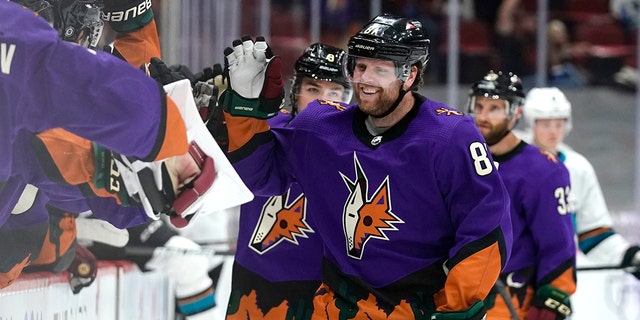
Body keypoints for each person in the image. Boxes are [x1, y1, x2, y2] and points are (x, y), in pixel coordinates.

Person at [221, 14, 513, 319]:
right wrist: (243, 107)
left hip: (417, 309)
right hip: (336, 307)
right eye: (361, 66)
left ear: (410, 75)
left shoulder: (452, 136)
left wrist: (458, 308)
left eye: (380, 70)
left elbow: (486, 225)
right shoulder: (318, 127)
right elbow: (259, 177)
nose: (366, 79)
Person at [0, 0, 214, 295]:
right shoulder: (20, 44)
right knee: (28, 242)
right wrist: (167, 137)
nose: (88, 47)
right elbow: (82, 88)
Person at [225, 43, 353, 319]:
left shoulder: (359, 151)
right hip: (254, 282)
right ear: (296, 92)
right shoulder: (264, 129)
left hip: (322, 289)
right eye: (313, 89)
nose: (324, 101)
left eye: (335, 92)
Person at [466, 71, 577, 320]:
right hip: (452, 293)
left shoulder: (543, 170)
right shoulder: (456, 158)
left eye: (494, 108)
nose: (483, 116)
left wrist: (553, 297)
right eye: (479, 106)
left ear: (516, 113)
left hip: (510, 298)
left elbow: (558, 243)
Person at [522, 87, 640, 278]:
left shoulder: (578, 167)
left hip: (562, 275)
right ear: (531, 124)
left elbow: (593, 233)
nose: (553, 132)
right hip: (518, 275)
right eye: (545, 125)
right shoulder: (512, 164)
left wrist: (630, 257)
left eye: (558, 124)